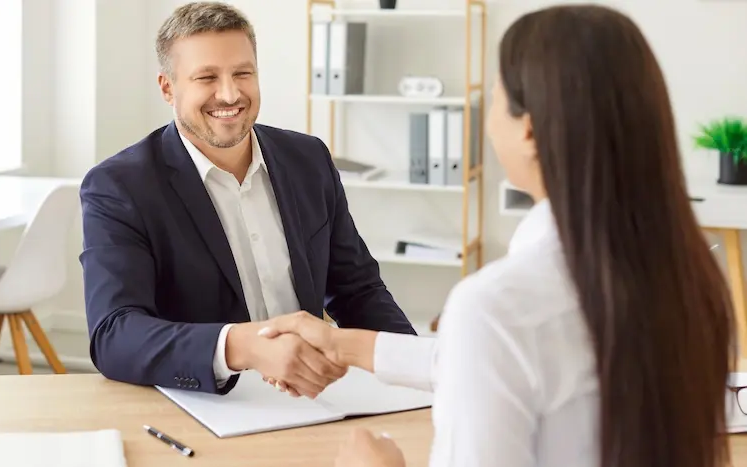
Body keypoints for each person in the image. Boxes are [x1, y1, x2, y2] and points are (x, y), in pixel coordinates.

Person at [257, 4, 737, 467]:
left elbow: (497, 345)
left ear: (528, 131)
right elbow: (505, 361)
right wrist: (347, 346)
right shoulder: (691, 275)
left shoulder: (496, 307)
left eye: (496, 97)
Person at [78, 1, 415, 398]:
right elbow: (115, 335)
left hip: (313, 397)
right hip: (205, 403)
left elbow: (357, 289)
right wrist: (243, 347)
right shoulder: (119, 187)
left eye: (243, 73)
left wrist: (420, 368)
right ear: (168, 88)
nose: (229, 93)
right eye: (206, 77)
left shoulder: (308, 159)